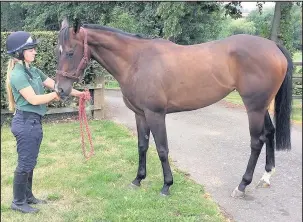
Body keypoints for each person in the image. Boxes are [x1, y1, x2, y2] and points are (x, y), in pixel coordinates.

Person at [5, 31, 84, 214]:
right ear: (19, 53)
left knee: (31, 161)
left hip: (34, 122)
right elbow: (33, 100)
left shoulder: (33, 70)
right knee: (25, 163)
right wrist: (57, 96)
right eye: (30, 49)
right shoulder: (17, 74)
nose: (35, 52)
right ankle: (18, 201)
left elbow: (56, 84)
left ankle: (28, 196)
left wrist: (78, 93)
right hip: (25, 123)